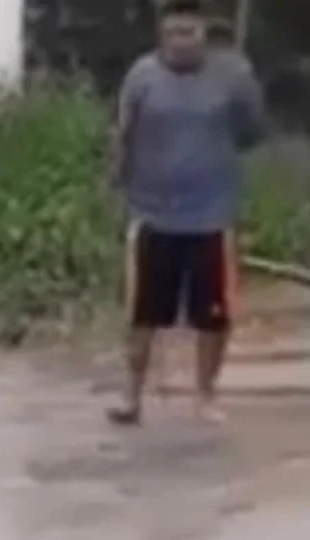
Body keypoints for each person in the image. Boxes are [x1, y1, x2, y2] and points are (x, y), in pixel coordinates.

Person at [104, 0, 267, 426]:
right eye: (173, 34)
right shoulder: (141, 77)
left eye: (189, 33)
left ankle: (206, 394)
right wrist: (115, 181)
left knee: (213, 317)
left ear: (204, 34)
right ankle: (131, 396)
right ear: (161, 34)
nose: (181, 43)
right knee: (142, 313)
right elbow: (122, 132)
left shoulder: (233, 77)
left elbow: (252, 132)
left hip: (211, 216)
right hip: (152, 214)